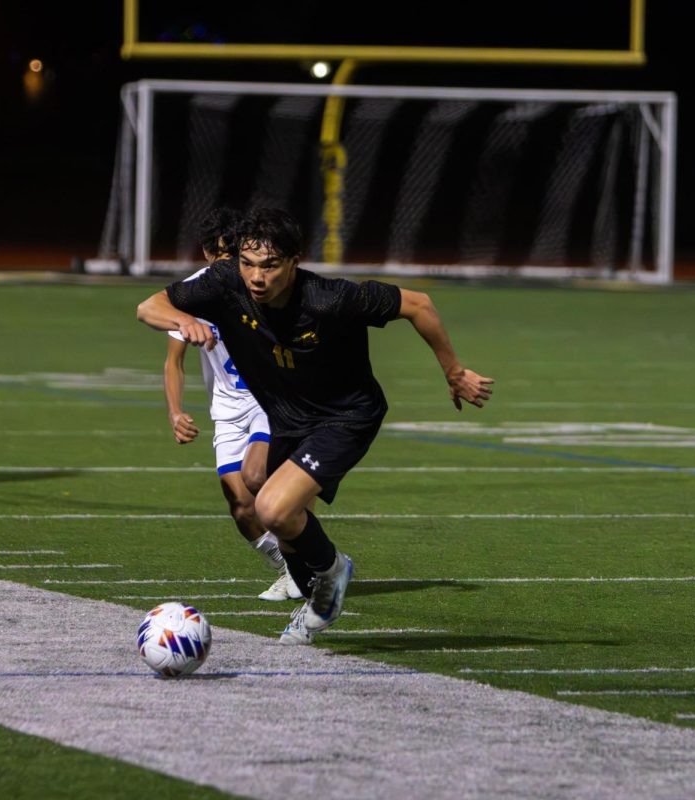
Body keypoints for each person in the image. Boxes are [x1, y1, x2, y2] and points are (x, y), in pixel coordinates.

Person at [137, 207, 494, 644]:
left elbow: (418, 305)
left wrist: (453, 370)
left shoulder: (330, 299)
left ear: (293, 261)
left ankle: (333, 570)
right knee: (266, 500)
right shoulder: (227, 281)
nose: (256, 277)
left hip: (345, 416)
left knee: (271, 509)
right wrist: (183, 319)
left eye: (269, 266)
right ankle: (315, 594)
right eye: (248, 264)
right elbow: (149, 306)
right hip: (286, 414)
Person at [164, 209, 302, 602]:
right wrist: (176, 412)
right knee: (240, 504)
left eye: (238, 255)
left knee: (257, 475)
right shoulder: (194, 292)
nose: (234, 266)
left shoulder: (260, 286)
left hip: (269, 397)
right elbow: (174, 361)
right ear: (209, 255)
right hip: (226, 407)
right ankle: (289, 567)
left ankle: (316, 559)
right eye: (226, 256)